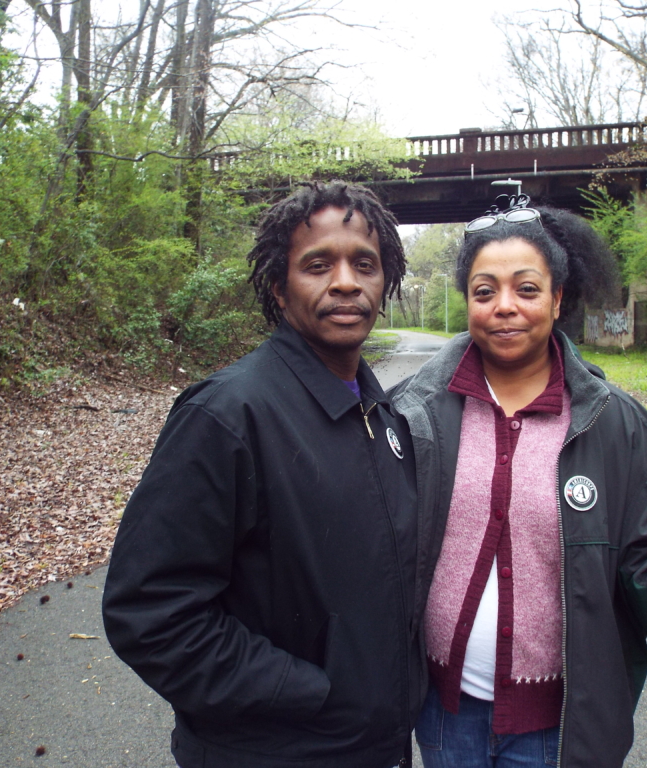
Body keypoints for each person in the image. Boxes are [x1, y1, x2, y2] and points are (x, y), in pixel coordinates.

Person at [388, 193, 647, 768]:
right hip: (443, 715)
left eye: (527, 289)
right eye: (484, 291)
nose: (505, 306)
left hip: (557, 728)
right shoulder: (412, 415)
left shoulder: (615, 423)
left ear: (558, 298)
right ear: (467, 302)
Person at [102, 181, 423, 768]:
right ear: (279, 287)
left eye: (365, 264)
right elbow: (150, 614)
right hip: (277, 749)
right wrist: (307, 691)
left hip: (375, 748)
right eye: (318, 265)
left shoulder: (385, 417)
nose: (346, 282)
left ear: (385, 282)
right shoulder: (227, 416)